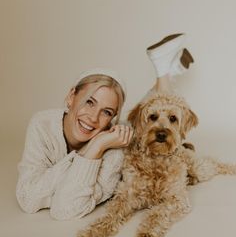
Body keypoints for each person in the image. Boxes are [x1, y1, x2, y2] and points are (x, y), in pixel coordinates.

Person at [16, 34, 194, 220]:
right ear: (71, 97)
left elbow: (66, 209)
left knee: (148, 121)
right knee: (139, 118)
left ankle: (164, 71)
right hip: (114, 132)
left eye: (107, 112)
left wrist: (98, 146)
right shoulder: (42, 124)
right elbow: (28, 199)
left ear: (113, 118)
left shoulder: (115, 151)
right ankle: (165, 73)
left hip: (122, 134)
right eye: (89, 102)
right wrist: (88, 151)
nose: (93, 118)